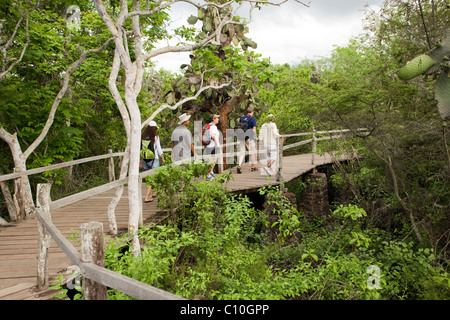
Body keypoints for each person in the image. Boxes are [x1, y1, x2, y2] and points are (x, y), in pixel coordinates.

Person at [141, 121, 165, 203]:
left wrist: (140, 160)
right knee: (153, 178)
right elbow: (159, 148)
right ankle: (147, 197)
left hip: (145, 159)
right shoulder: (155, 137)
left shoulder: (142, 136)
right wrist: (162, 158)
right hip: (154, 159)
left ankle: (154, 192)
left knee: (149, 178)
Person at [237, 107, 258, 173]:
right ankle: (252, 167)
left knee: (242, 152)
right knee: (252, 153)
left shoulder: (242, 118)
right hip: (250, 138)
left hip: (242, 137)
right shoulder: (252, 119)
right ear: (252, 112)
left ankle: (239, 165)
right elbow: (254, 130)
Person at [204, 114, 221, 181]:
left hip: (208, 146)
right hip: (213, 146)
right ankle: (208, 175)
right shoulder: (213, 127)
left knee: (210, 160)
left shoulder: (208, 126)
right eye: (217, 118)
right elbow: (213, 136)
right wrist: (217, 144)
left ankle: (211, 173)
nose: (218, 119)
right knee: (213, 161)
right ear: (213, 119)